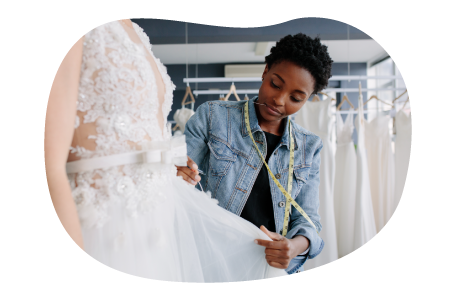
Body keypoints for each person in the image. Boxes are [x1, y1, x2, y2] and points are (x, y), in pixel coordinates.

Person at [44, 19, 287, 283]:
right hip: (101, 226)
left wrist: (166, 172)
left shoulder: (135, 30)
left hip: (153, 232)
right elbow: (46, 165)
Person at [178, 33, 333, 274]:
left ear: (308, 100)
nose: (279, 100)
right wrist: (179, 175)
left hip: (265, 266)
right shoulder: (212, 117)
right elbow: (178, 184)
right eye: (275, 84)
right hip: (209, 259)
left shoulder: (309, 147)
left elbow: (309, 220)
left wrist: (295, 246)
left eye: (295, 98)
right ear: (265, 71)